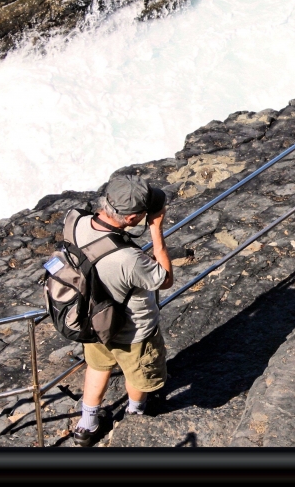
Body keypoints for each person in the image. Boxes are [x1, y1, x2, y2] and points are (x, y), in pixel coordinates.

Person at [70, 173, 174, 447]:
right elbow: (164, 278)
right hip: (133, 331)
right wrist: (156, 230)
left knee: (98, 365)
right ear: (132, 219)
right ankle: (134, 415)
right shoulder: (128, 258)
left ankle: (87, 425)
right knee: (139, 373)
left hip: (93, 320)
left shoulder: (76, 222)